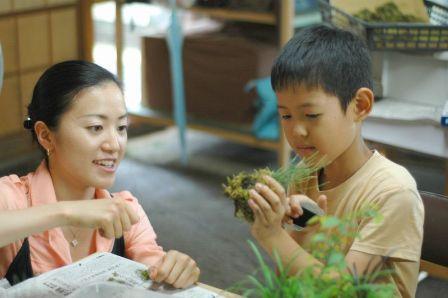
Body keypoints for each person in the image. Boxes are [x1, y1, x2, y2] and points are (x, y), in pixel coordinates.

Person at [247, 25, 424, 298]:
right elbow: (293, 283)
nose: (297, 131)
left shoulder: (392, 192)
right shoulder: (304, 174)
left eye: (311, 115)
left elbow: (342, 291)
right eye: (286, 116)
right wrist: (304, 227)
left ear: (360, 106)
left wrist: (273, 236)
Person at [0, 60, 200, 288]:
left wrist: (174, 271)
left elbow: (153, 270)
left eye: (121, 127)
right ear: (46, 135)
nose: (114, 145)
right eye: (96, 127)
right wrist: (67, 212)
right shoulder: (11, 198)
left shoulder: (125, 210)